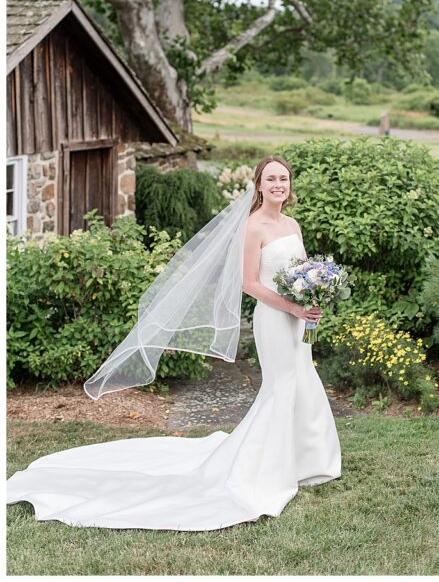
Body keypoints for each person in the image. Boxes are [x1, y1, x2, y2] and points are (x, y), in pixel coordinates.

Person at [6, 156, 341, 530]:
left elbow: (304, 270)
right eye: (271, 179)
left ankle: (310, 461)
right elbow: (250, 283)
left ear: (289, 185)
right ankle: (269, 470)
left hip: (299, 319)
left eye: (284, 178)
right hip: (275, 320)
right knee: (282, 386)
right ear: (259, 186)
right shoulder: (252, 227)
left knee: (304, 378)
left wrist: (315, 297)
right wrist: (293, 307)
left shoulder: (292, 223)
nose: (279, 184)